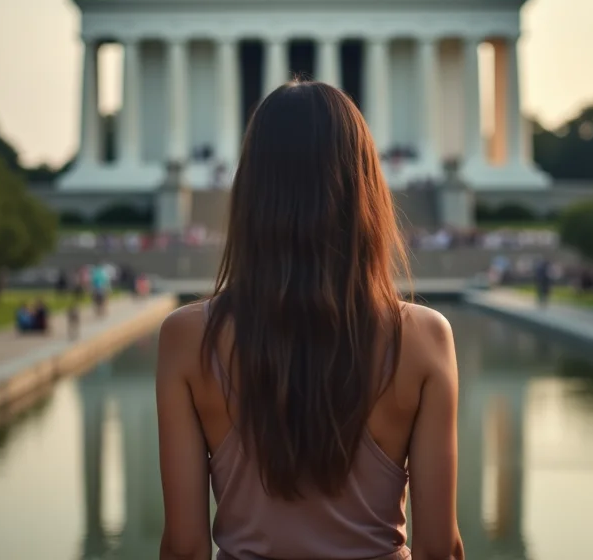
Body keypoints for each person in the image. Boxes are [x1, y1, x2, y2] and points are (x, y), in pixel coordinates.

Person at [156, 82, 463, 560]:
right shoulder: (423, 338)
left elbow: (184, 547)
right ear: (365, 187)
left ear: (252, 189)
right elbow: (439, 548)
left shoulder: (189, 337)